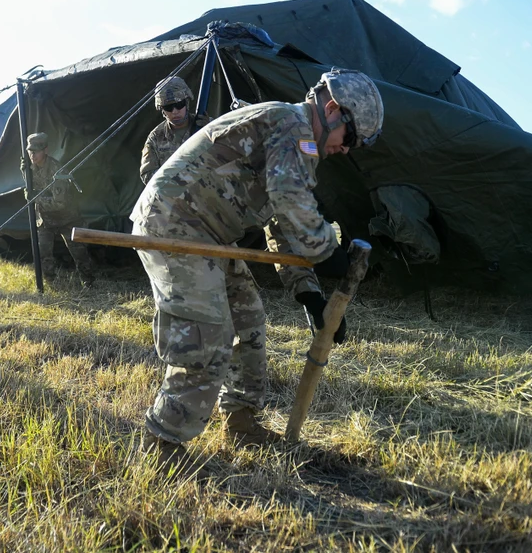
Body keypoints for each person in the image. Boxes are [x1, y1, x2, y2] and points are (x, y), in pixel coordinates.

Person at [130, 69, 384, 469]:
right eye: (349, 138)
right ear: (333, 109)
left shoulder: (295, 141)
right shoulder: (292, 124)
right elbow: (288, 198)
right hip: (173, 223)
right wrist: (329, 252)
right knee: (207, 333)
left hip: (210, 233)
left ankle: (241, 420)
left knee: (248, 321)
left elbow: (280, 221)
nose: (347, 149)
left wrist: (309, 293)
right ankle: (162, 447)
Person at [25, 132, 95, 285]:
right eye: (30, 151)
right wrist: (24, 174)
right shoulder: (29, 168)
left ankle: (88, 281)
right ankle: (50, 281)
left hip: (66, 217)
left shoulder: (57, 171)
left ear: (46, 150)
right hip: (45, 219)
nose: (33, 155)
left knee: (78, 251)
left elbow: (59, 203)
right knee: (43, 252)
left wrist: (35, 198)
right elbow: (32, 186)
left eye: (36, 151)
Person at [139, 76, 209, 185]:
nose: (175, 111)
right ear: (162, 110)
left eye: (179, 105)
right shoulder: (155, 138)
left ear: (186, 103)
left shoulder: (208, 127)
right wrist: (177, 178)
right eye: (168, 107)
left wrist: (212, 133)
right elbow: (147, 175)